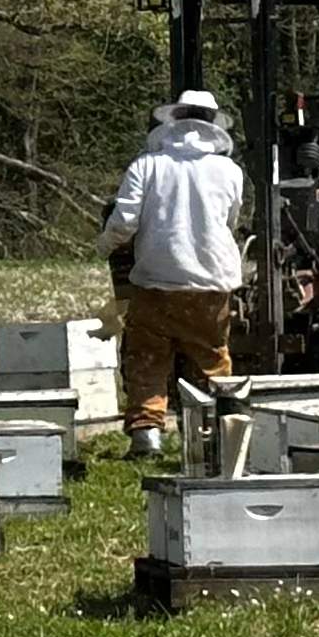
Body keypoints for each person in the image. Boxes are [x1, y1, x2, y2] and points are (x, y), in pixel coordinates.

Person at [98, 90, 247, 455]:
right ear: (212, 124)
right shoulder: (230, 171)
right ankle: (219, 436)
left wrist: (103, 246)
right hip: (211, 284)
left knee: (147, 357)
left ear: (174, 119)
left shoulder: (146, 166)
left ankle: (146, 435)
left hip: (156, 282)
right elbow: (230, 221)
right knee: (212, 358)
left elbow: (124, 221)